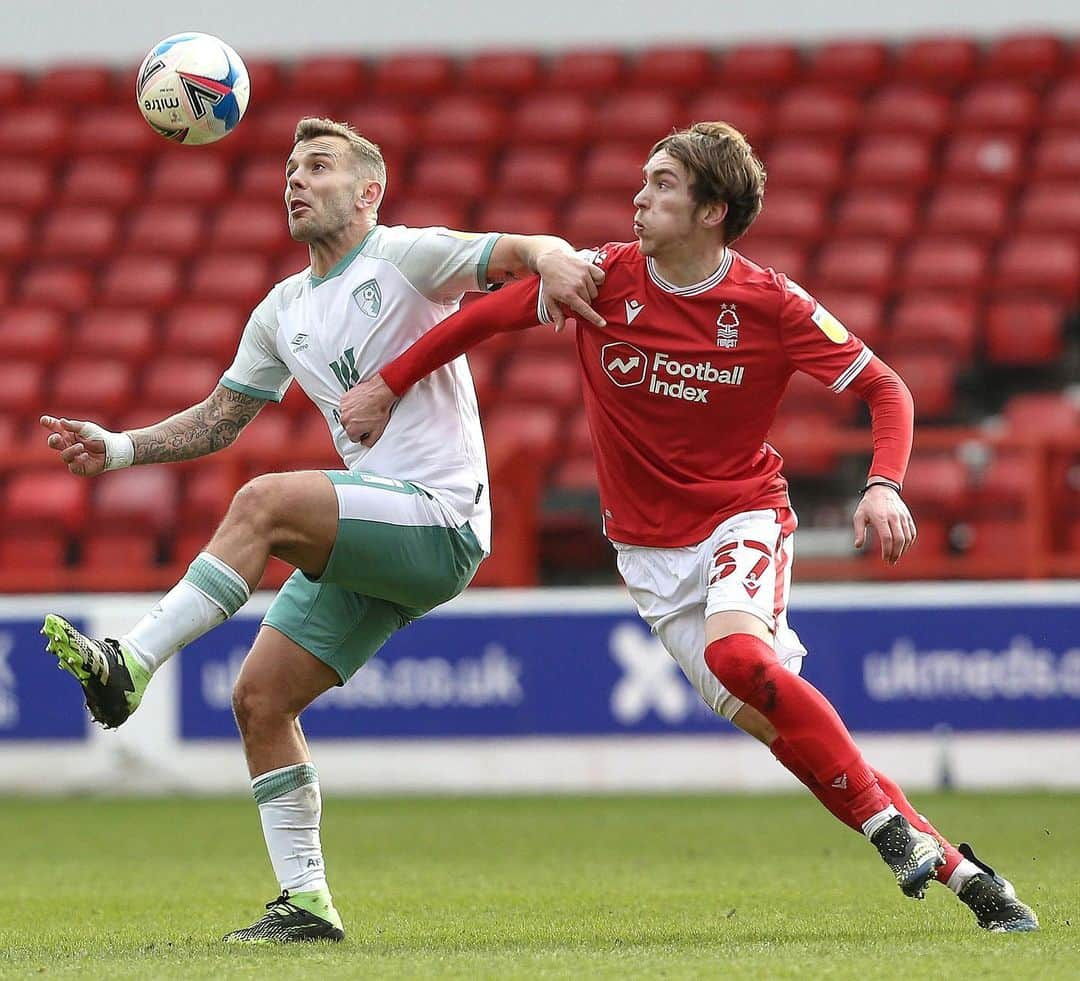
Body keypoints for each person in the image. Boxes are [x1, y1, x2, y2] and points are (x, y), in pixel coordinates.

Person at [339, 122, 1038, 934]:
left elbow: (888, 389)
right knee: (788, 732)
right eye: (643, 180)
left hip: (742, 516)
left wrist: (883, 484)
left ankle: (888, 832)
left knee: (737, 654)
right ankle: (961, 872)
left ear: (713, 210)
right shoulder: (602, 279)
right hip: (648, 555)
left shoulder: (771, 304)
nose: (640, 197)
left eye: (664, 184)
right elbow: (480, 322)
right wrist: (389, 384)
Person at [38, 116, 604, 944]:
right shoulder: (281, 309)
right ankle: (306, 902)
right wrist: (121, 446)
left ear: (368, 191)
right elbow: (223, 417)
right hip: (380, 522)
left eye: (320, 166)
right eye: (290, 169)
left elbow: (522, 250)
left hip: (440, 516)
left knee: (264, 500)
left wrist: (553, 254)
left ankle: (132, 659)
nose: (295, 181)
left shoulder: (405, 257)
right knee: (259, 697)